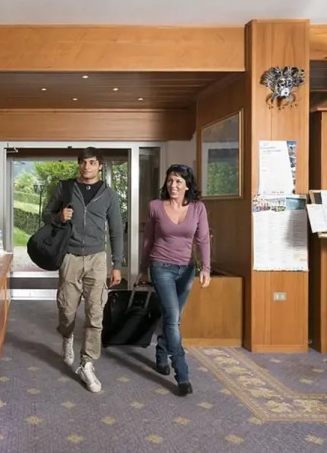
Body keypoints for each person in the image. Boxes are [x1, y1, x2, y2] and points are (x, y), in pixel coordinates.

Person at [42, 147, 124, 393]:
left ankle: (87, 364)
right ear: (79, 165)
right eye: (83, 162)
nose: (87, 166)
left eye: (92, 162)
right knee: (66, 310)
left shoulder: (109, 195)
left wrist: (117, 265)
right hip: (70, 257)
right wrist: (59, 216)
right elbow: (46, 215)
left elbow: (116, 231)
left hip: (97, 259)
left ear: (100, 166)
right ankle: (67, 336)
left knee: (95, 312)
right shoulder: (65, 188)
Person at [138, 164, 211, 396]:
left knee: (172, 317)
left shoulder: (198, 208)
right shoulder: (155, 206)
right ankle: (182, 373)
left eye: (179, 181)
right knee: (172, 319)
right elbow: (148, 240)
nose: (173, 185)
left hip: (186, 270)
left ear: (187, 185)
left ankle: (161, 354)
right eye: (170, 180)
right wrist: (143, 268)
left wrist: (205, 268)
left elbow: (203, 240)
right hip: (161, 267)